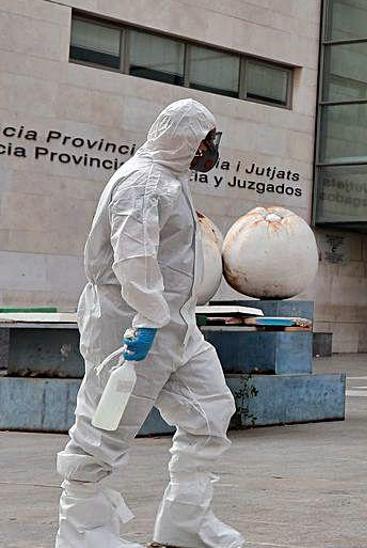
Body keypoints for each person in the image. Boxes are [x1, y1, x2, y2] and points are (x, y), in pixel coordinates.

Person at [56, 99, 243, 548]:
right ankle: (84, 533)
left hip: (175, 325)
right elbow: (133, 257)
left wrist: (165, 317)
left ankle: (185, 523)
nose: (210, 151)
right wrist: (147, 317)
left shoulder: (170, 179)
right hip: (132, 325)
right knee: (103, 428)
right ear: (183, 137)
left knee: (210, 411)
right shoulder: (142, 182)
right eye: (205, 142)